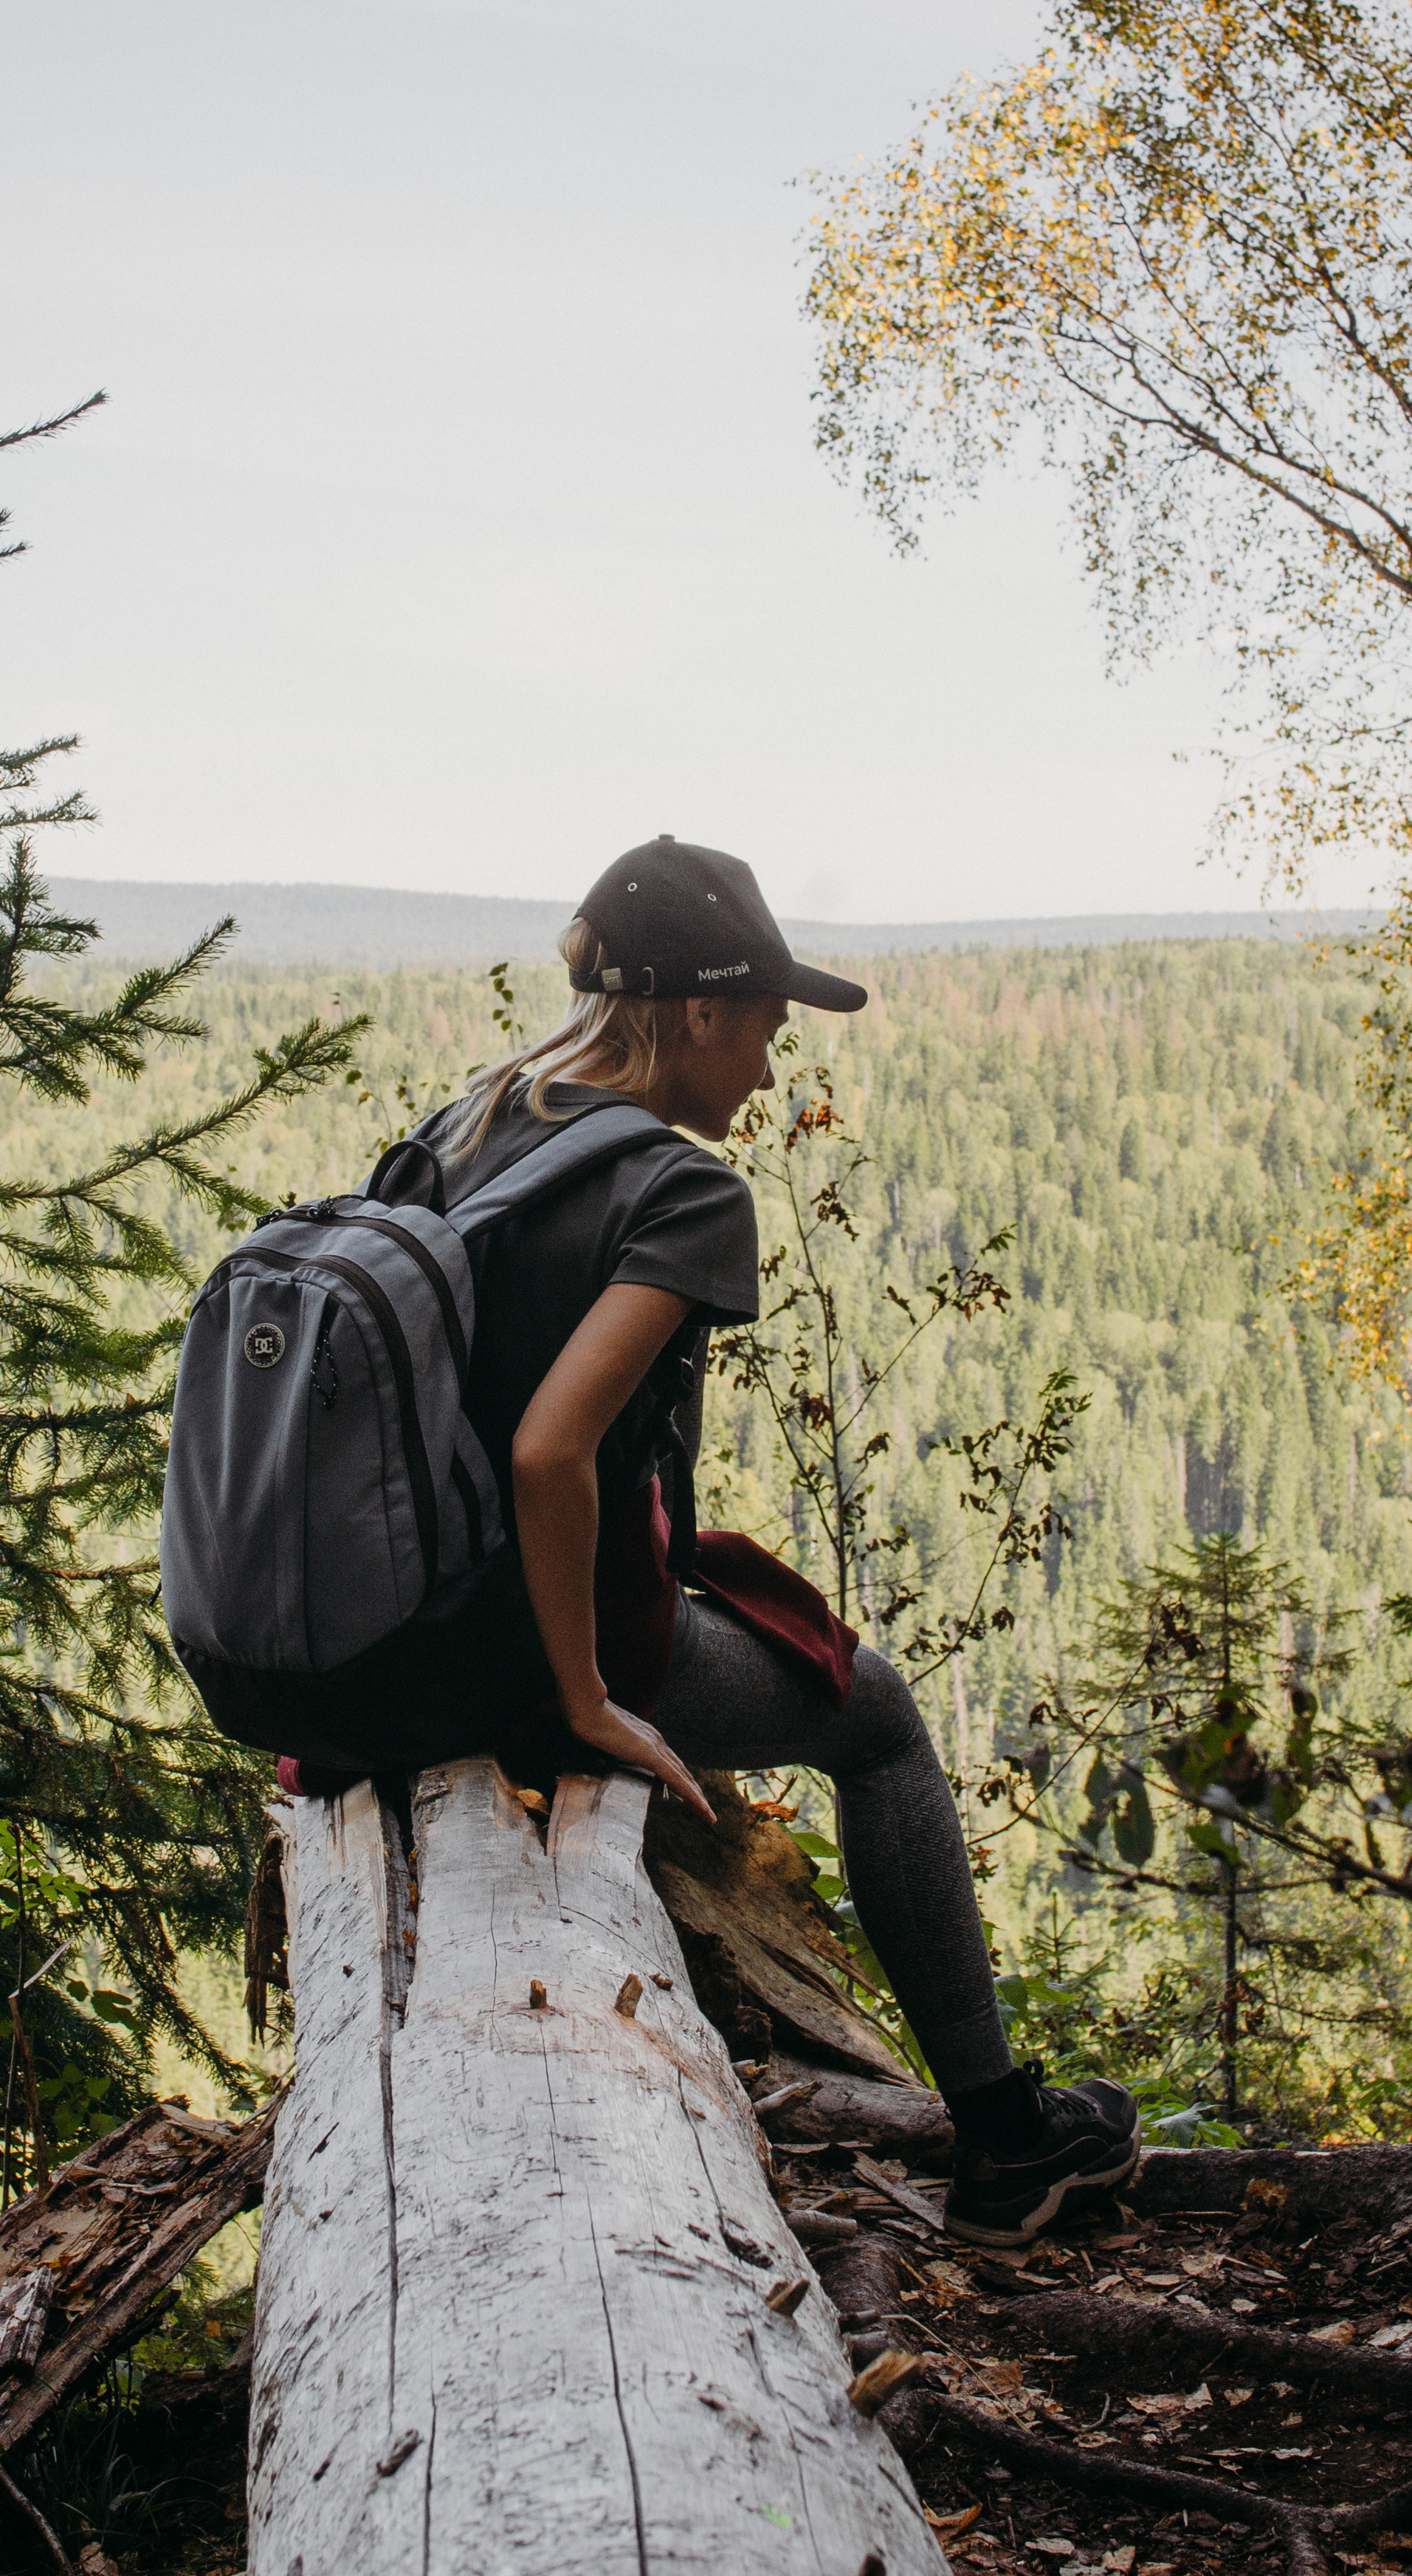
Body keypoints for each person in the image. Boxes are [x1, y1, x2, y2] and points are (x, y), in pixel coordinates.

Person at [373, 835, 1137, 2247]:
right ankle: (1008, 2150)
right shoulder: (681, 1188)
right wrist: (593, 1698)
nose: (774, 1071)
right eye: (771, 1029)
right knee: (886, 1719)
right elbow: (551, 1451)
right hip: (530, 1651)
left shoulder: (472, 1122)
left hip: (400, 1629)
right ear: (702, 1014)